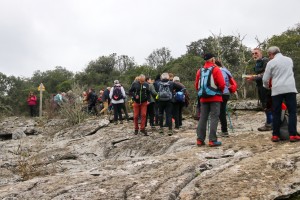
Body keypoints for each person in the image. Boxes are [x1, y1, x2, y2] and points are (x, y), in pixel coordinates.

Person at [262, 46, 299, 142]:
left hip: (277, 90)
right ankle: (292, 135)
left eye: (269, 55)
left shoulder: (271, 63)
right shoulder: (289, 60)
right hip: (290, 88)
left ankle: (275, 135)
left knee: (276, 112)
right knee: (292, 112)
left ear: (271, 54)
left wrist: (267, 86)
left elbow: (265, 79)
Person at [195, 53, 225, 147]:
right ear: (213, 59)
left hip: (203, 98)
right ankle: (212, 140)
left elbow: (196, 85)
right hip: (215, 97)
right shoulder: (216, 69)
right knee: (214, 117)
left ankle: (200, 139)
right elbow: (222, 84)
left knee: (203, 117)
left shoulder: (200, 71)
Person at [247, 48, 272, 131]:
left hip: (267, 87)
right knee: (264, 105)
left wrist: (254, 77)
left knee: (267, 105)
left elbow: (266, 73)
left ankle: (270, 124)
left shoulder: (266, 61)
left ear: (261, 53)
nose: (254, 55)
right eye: (253, 54)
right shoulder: (257, 63)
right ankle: (269, 122)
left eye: (256, 53)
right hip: (260, 86)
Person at [215, 60, 237, 137]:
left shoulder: (220, 71)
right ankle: (224, 130)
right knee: (222, 112)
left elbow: (222, 82)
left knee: (221, 113)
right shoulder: (226, 70)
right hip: (226, 92)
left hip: (222, 93)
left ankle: (224, 131)